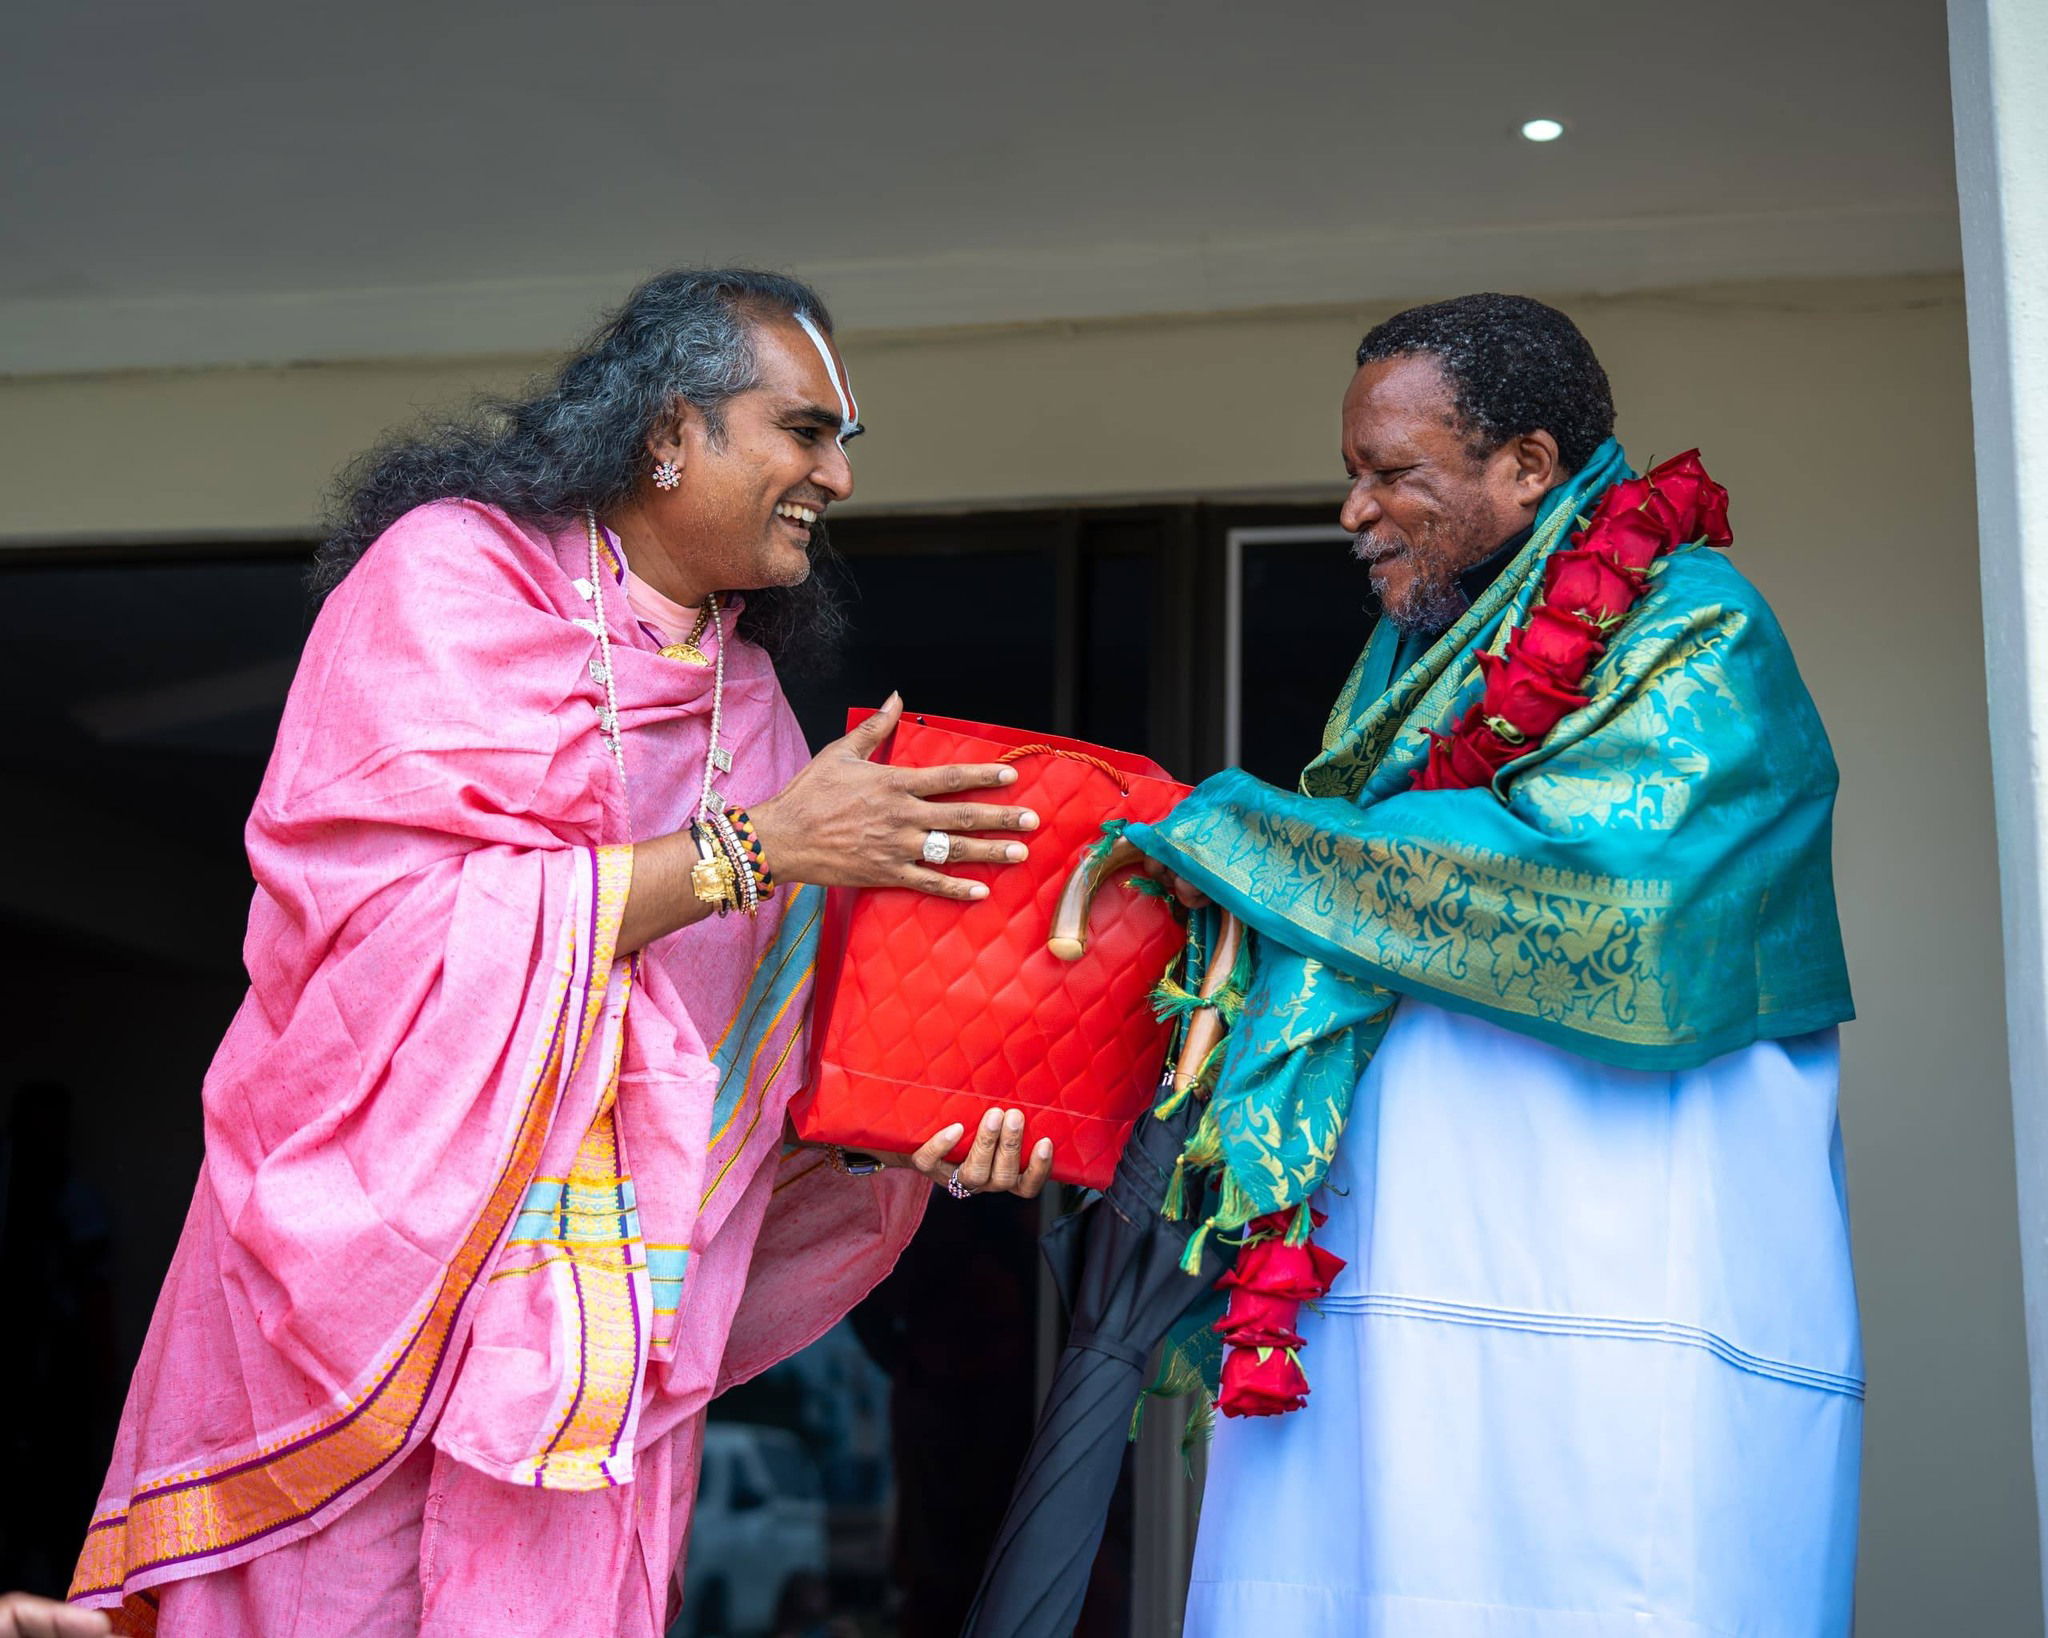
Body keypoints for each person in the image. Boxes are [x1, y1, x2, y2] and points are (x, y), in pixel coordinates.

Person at [70, 269, 1053, 1637]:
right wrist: (753, 849)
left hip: (591, 1368)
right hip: (367, 1316)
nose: (837, 476)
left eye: (844, 443)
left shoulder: (748, 699)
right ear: (670, 431)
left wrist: (899, 1139)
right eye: (805, 431)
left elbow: (747, 1068)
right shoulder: (450, 576)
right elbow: (382, 943)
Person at [1129, 294, 1859, 1636]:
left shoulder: (1698, 628)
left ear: (1527, 465)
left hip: (1606, 1251)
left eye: (1391, 473)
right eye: (1352, 472)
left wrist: (1251, 838)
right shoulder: (1422, 652)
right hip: (1410, 1251)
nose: (1353, 511)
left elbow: (1614, 898)